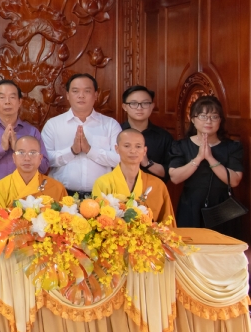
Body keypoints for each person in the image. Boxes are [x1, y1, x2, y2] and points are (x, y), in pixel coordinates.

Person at [0, 80, 48, 216]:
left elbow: (44, 166)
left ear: (20, 102)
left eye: (12, 97)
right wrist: (1, 149)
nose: (7, 102)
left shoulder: (32, 132)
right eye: (2, 97)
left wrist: (19, 149)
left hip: (29, 197)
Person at [169, 96, 243, 233]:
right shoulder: (181, 145)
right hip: (191, 205)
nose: (209, 121)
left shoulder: (232, 147)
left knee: (222, 249)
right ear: (193, 119)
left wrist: (210, 158)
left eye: (214, 117)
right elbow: (175, 177)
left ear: (220, 120)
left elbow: (234, 181)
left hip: (223, 207)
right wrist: (198, 158)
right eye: (203, 116)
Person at [41, 74, 120, 198]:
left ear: (96, 95)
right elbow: (44, 160)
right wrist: (71, 151)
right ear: (67, 95)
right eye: (75, 91)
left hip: (102, 197)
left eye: (87, 91)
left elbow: (120, 159)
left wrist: (90, 151)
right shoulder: (53, 125)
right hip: (62, 195)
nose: (81, 95)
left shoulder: (110, 125)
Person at [92, 129, 174, 223]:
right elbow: (97, 222)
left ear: (144, 150)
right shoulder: (103, 183)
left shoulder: (157, 185)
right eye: (127, 146)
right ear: (117, 149)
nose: (133, 151)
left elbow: (167, 223)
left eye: (138, 146)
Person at [0, 136, 68, 214]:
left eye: (33, 153)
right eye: (21, 152)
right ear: (14, 158)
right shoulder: (0, 188)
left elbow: (66, 222)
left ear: (40, 159)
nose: (27, 158)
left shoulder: (57, 188)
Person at [121, 85, 173, 180]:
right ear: (124, 107)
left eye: (145, 103)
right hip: (118, 192)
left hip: (153, 192)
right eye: (133, 103)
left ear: (152, 106)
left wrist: (147, 163)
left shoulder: (163, 137)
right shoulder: (115, 132)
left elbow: (170, 173)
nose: (139, 108)